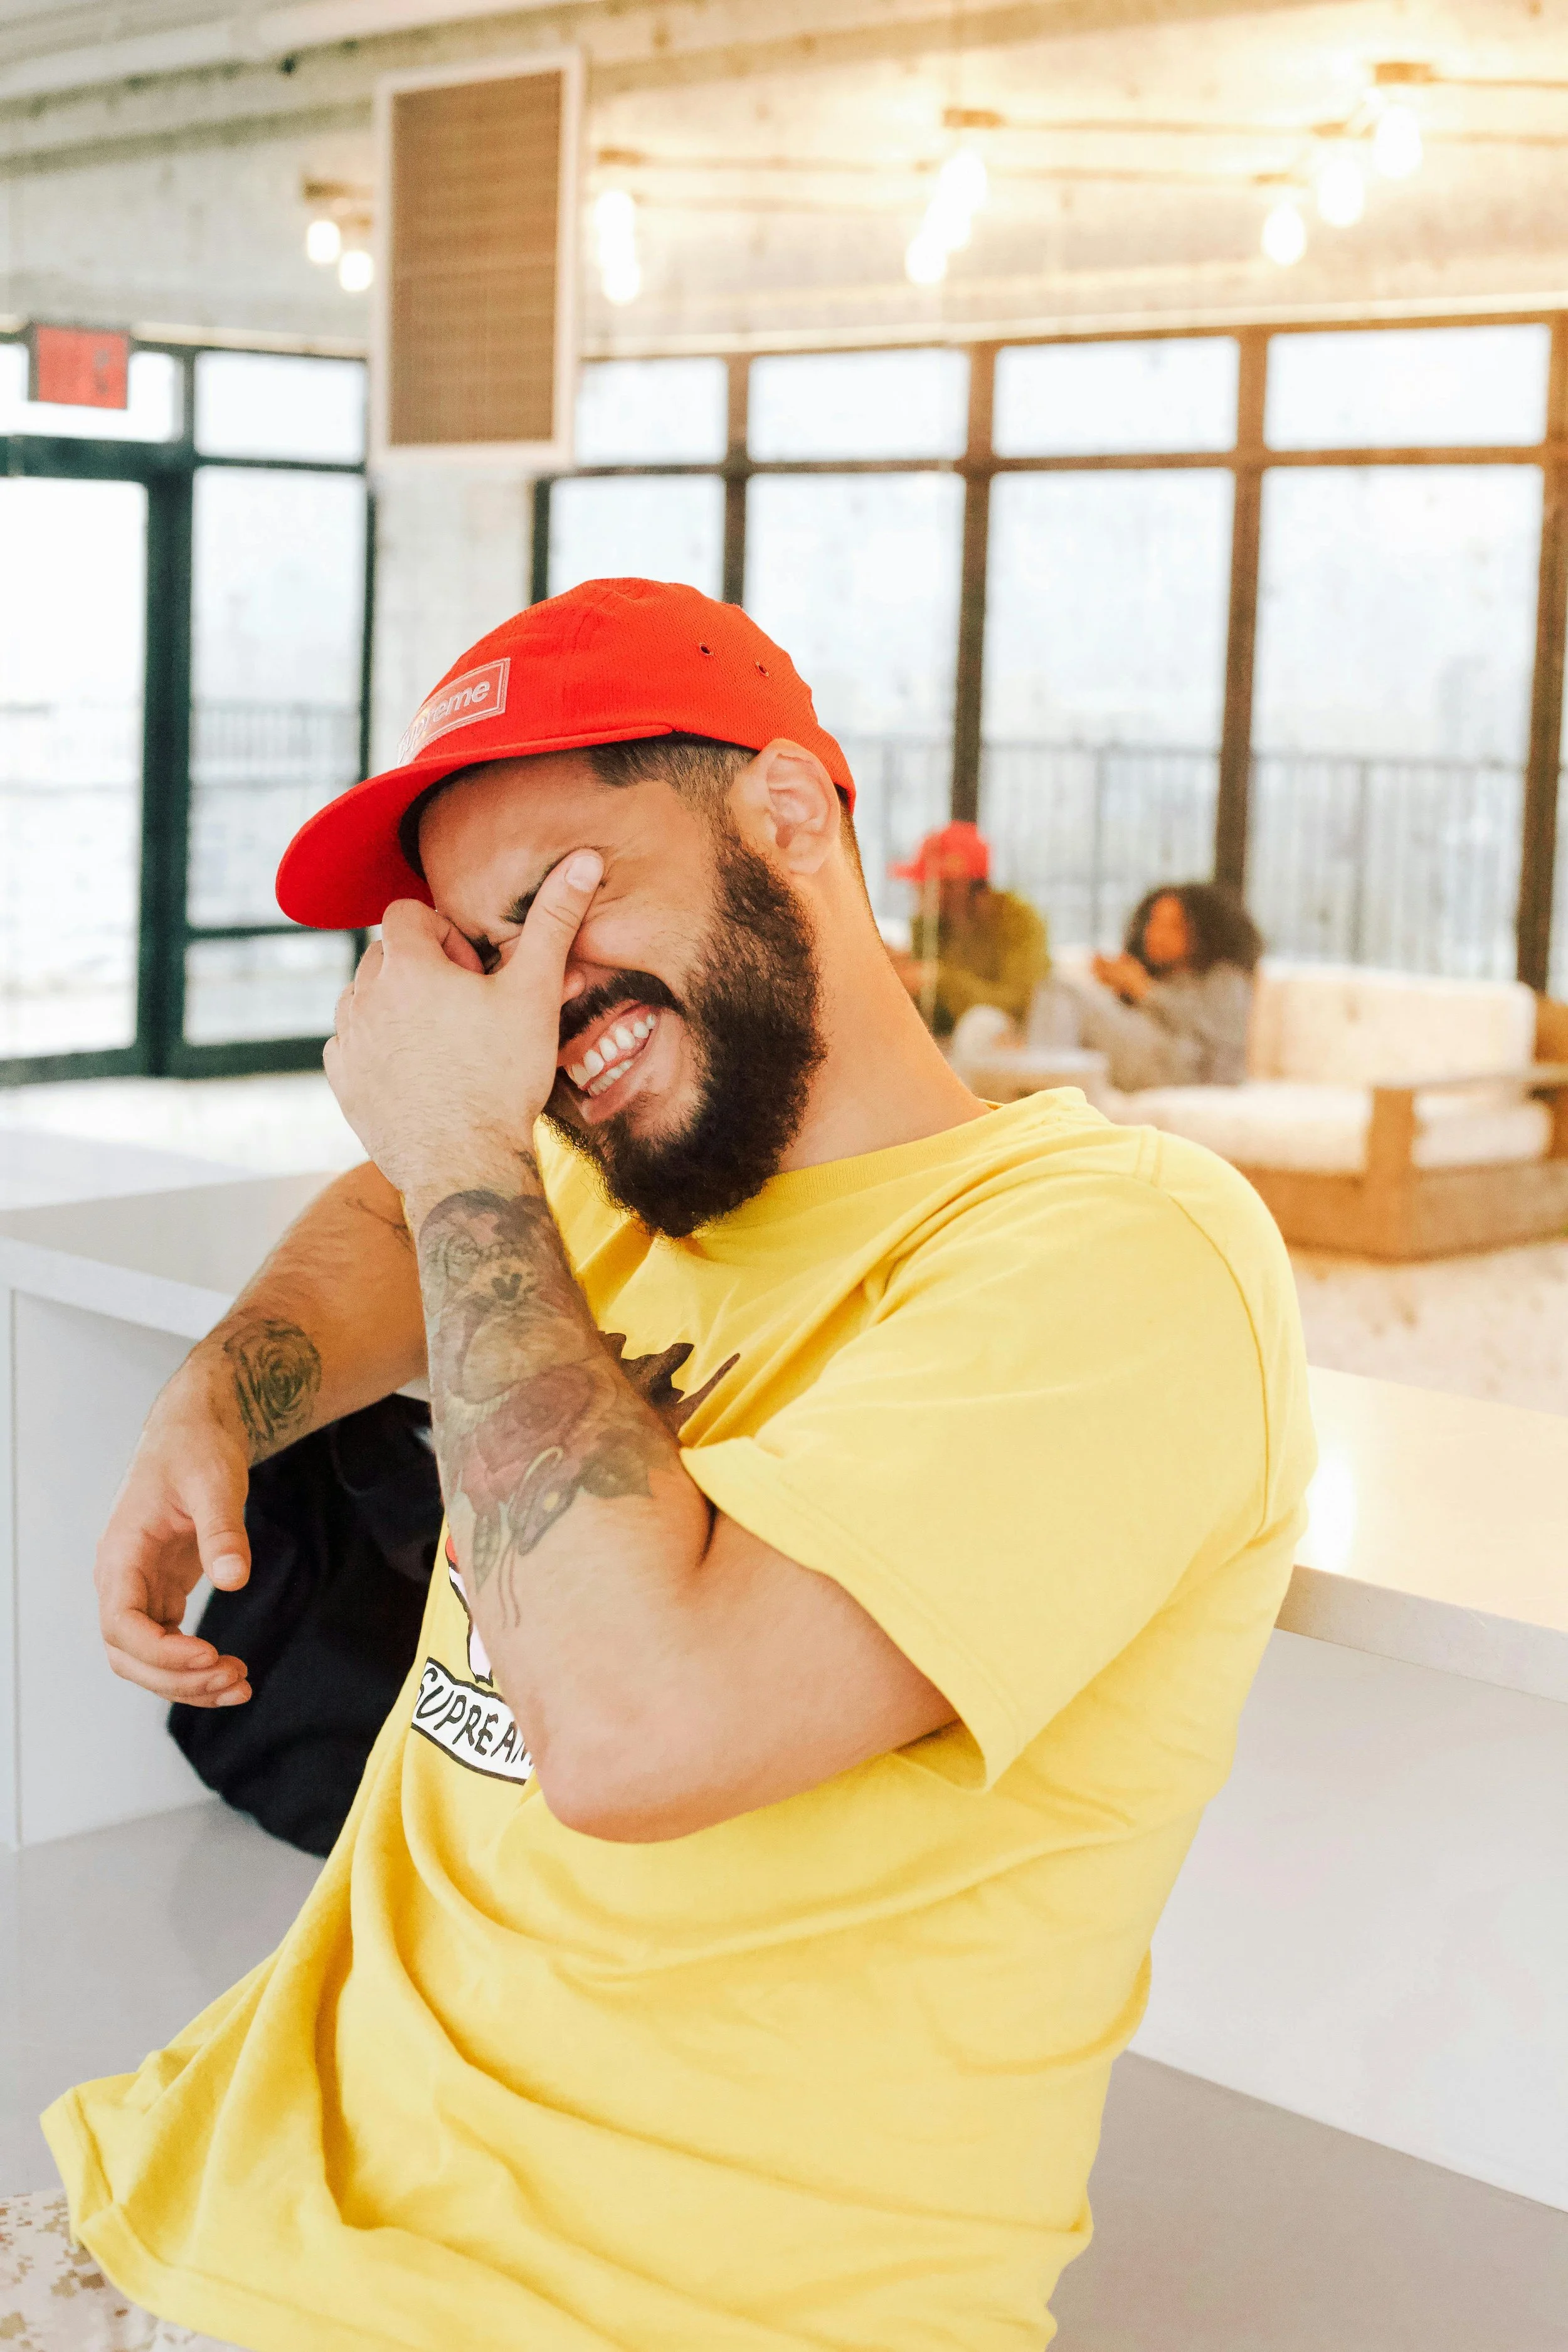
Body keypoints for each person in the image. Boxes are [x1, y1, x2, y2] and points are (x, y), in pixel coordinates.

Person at [22, 580, 1313, 2352]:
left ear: (787, 814)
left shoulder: (1124, 1252)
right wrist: (223, 1394)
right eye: (482, 961)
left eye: (563, 898)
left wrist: (463, 1134)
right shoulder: (601, 1185)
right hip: (212, 2187)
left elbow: (636, 1735)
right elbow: (388, 1210)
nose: (529, 1010)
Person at [1052, 879, 1264, 1093]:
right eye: (1153, 923)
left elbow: (1219, 1039)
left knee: (1063, 994)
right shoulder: (1161, 977)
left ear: (1204, 933)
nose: (1156, 935)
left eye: (1173, 927)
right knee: (1060, 991)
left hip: (1186, 1071)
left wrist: (1144, 990)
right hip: (1150, 1057)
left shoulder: (1227, 979)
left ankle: (1045, 1083)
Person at [889, 818, 1048, 1036]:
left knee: (982, 1024)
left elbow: (1019, 1004)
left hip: (1019, 1037)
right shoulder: (930, 925)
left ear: (960, 887)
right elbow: (930, 1014)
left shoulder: (1019, 920)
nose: (918, 890)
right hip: (953, 1041)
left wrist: (941, 980)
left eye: (928, 883)